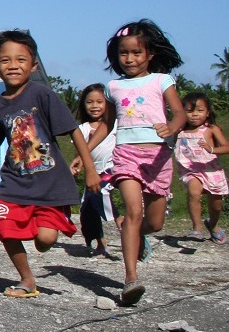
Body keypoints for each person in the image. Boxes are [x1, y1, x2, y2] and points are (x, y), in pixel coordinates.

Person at [0, 31, 99, 299]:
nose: (13, 65)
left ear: (34, 65)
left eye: (21, 59)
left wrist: (91, 169)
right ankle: (27, 279)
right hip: (14, 182)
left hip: (51, 184)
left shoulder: (43, 95)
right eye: (5, 60)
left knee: (46, 240)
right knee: (4, 228)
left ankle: (49, 229)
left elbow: (73, 131)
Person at [88, 19, 185, 306]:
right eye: (123, 54)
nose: (129, 59)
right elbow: (106, 125)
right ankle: (131, 278)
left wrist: (172, 127)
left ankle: (137, 232)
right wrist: (85, 156)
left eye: (136, 53)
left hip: (157, 156)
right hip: (127, 153)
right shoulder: (113, 87)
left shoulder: (161, 80)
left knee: (152, 222)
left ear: (150, 54)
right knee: (133, 211)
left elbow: (178, 112)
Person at [69, 83, 121, 258]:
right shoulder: (82, 129)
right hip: (94, 173)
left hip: (113, 168)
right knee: (87, 209)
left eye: (100, 101)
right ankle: (99, 242)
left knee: (102, 192)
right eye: (90, 102)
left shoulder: (115, 126)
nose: (95, 106)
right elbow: (80, 155)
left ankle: (121, 221)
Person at [175, 92, 228, 244]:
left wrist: (212, 150)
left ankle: (213, 224)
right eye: (190, 111)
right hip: (191, 170)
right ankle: (197, 228)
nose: (195, 115)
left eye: (199, 110)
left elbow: (226, 146)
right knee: (193, 192)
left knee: (216, 205)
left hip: (212, 171)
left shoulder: (211, 129)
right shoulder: (179, 131)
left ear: (207, 112)